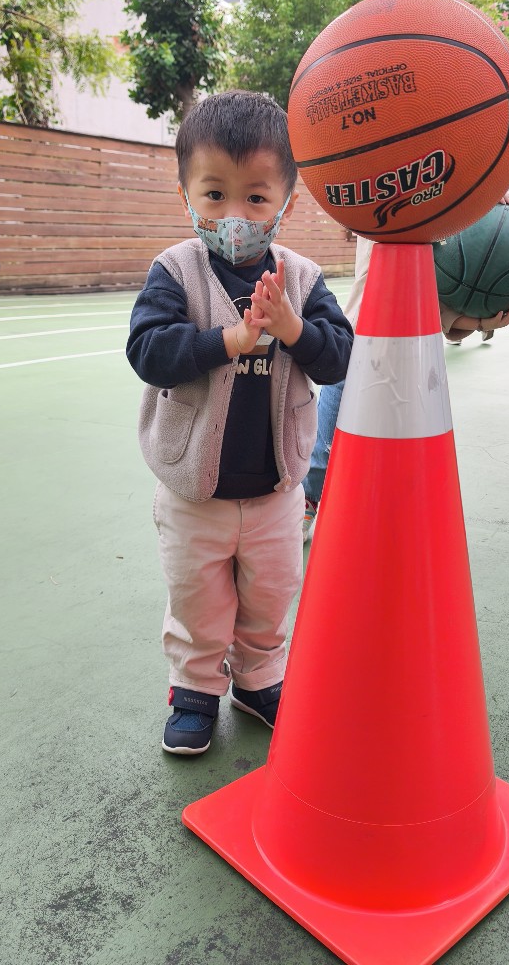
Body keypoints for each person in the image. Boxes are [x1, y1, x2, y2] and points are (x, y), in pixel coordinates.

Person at [126, 90, 354, 755]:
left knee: (271, 592)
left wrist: (293, 329)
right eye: (214, 195)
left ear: (287, 202)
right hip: (193, 490)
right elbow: (147, 350)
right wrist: (227, 341)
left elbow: (340, 357)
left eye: (255, 198)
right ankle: (195, 686)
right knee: (197, 595)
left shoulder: (302, 279)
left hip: (275, 488)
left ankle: (258, 678)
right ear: (186, 196)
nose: (234, 216)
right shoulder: (175, 271)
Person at [301, 231, 509, 541]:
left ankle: (386, 516)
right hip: (363, 337)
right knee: (329, 436)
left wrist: (482, 321)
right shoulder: (380, 221)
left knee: (403, 444)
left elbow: (439, 306)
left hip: (413, 345)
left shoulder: (448, 232)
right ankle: (308, 500)